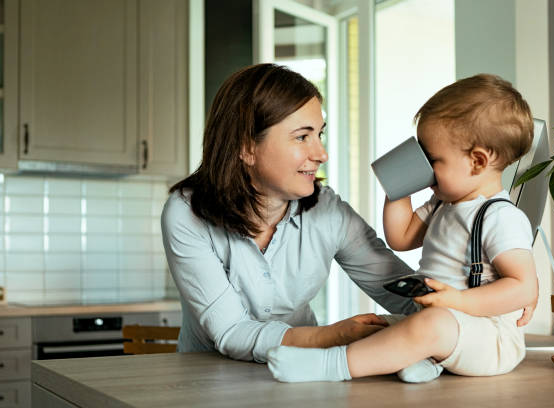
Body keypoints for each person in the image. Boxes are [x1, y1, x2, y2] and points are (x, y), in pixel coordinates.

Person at [161, 63, 441, 378]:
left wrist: (478, 303)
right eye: (302, 137)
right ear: (246, 146)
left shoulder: (328, 211)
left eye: (318, 134)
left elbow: (398, 291)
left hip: (301, 378)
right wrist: (333, 337)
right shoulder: (186, 212)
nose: (321, 153)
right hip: (206, 381)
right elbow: (230, 332)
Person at [267, 73, 539, 383]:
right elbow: (401, 237)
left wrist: (457, 301)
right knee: (377, 328)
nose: (424, 167)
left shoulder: (499, 216)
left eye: (431, 159)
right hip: (445, 324)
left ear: (477, 161)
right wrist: (400, 186)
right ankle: (425, 361)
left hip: (489, 339)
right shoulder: (443, 205)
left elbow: (524, 286)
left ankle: (329, 367)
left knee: (430, 326)